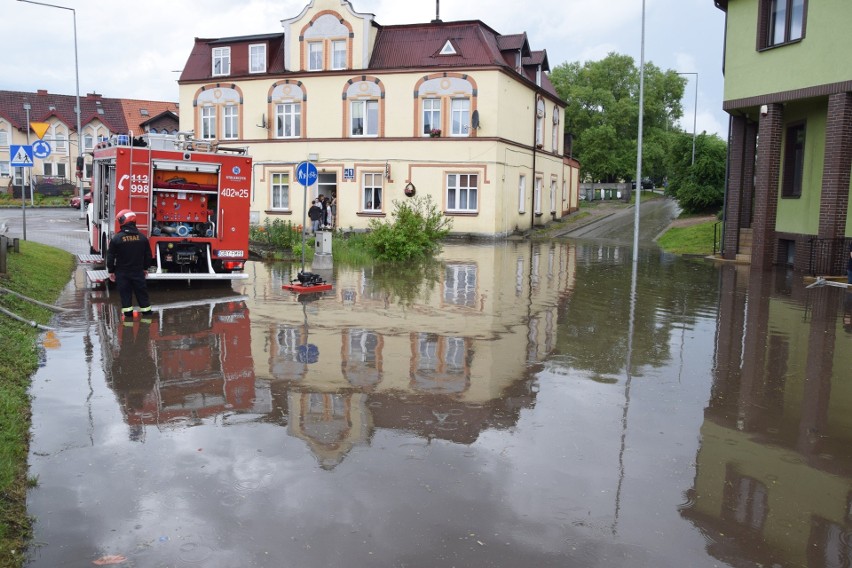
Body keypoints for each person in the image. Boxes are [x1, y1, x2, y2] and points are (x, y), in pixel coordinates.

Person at [107, 209, 153, 319]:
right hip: (138, 272)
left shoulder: (116, 239)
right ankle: (146, 323)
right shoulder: (142, 238)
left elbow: (110, 257)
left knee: (126, 298)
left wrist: (111, 271)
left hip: (122, 273)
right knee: (143, 297)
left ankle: (128, 323)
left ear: (123, 221)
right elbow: (148, 256)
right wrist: (145, 268)